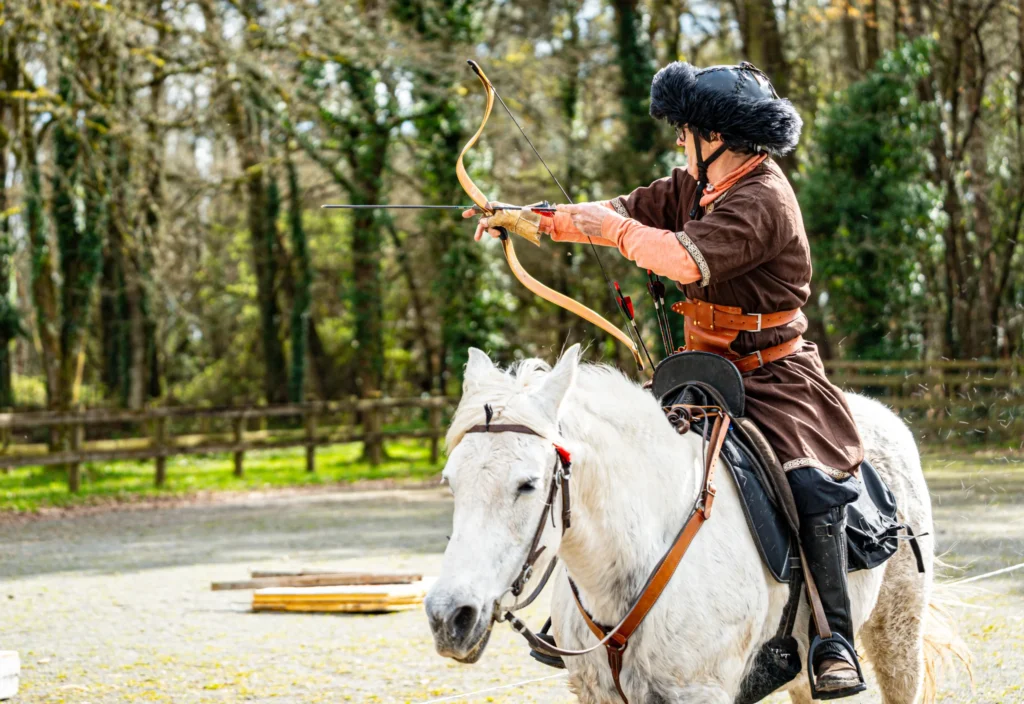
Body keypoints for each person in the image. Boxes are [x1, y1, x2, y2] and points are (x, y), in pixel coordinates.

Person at [465, 61, 867, 699]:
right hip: (703, 370)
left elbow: (680, 260)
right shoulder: (694, 186)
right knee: (616, 459)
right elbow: (617, 211)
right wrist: (529, 219)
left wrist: (616, 231)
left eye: (687, 131)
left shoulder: (764, 199)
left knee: (807, 480)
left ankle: (832, 638)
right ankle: (582, 614)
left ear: (718, 137)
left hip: (775, 374)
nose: (680, 140)